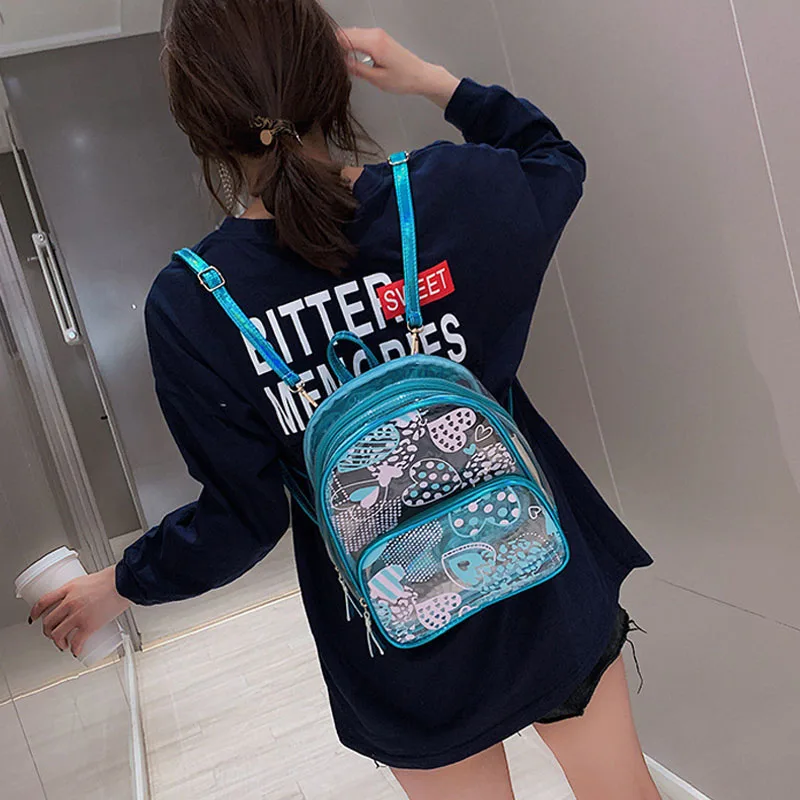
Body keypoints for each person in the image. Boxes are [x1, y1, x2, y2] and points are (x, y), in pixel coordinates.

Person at [30, 2, 658, 797]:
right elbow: (554, 160)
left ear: (197, 124)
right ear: (332, 75)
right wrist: (435, 82)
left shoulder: (194, 304)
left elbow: (239, 523)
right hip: (541, 584)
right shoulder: (449, 194)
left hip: (398, 646)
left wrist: (121, 584)